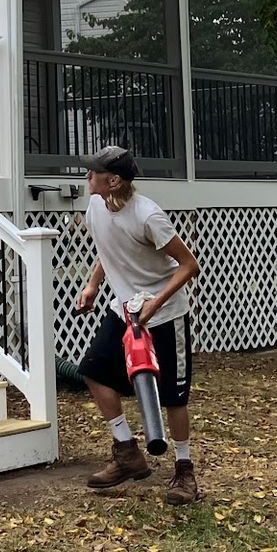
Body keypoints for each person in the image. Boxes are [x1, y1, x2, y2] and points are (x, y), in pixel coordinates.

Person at [73, 145, 205, 504]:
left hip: (165, 315)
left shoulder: (149, 216)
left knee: (173, 397)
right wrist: (93, 284)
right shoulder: (96, 205)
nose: (87, 176)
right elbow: (109, 248)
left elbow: (189, 266)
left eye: (94, 172)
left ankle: (184, 472)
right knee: (94, 371)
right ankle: (127, 452)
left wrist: (155, 302)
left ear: (113, 180)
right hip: (122, 311)